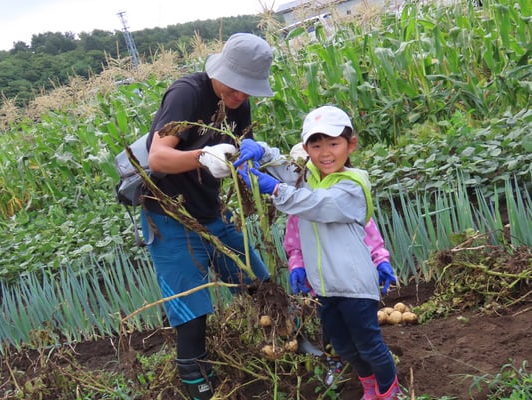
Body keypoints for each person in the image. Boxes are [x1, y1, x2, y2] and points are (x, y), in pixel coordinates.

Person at [234, 105, 403, 399]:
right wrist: (261, 151)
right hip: (324, 287)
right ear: (306, 149)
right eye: (316, 145)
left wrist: (275, 190)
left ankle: (389, 391)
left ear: (351, 145)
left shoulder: (352, 186)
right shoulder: (309, 175)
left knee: (369, 345)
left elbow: (315, 204)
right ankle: (369, 387)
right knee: (344, 346)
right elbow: (285, 168)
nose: (325, 153)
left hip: (354, 286)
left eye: (334, 144)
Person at [140, 33, 273, 400]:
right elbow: (157, 158)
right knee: (192, 310)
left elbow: (238, 154)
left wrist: (262, 159)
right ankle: (199, 384)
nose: (240, 95)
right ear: (220, 70)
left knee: (259, 283)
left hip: (211, 210)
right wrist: (202, 157)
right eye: (235, 85)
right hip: (169, 214)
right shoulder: (187, 94)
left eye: (248, 89)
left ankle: (289, 343)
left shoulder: (238, 103)